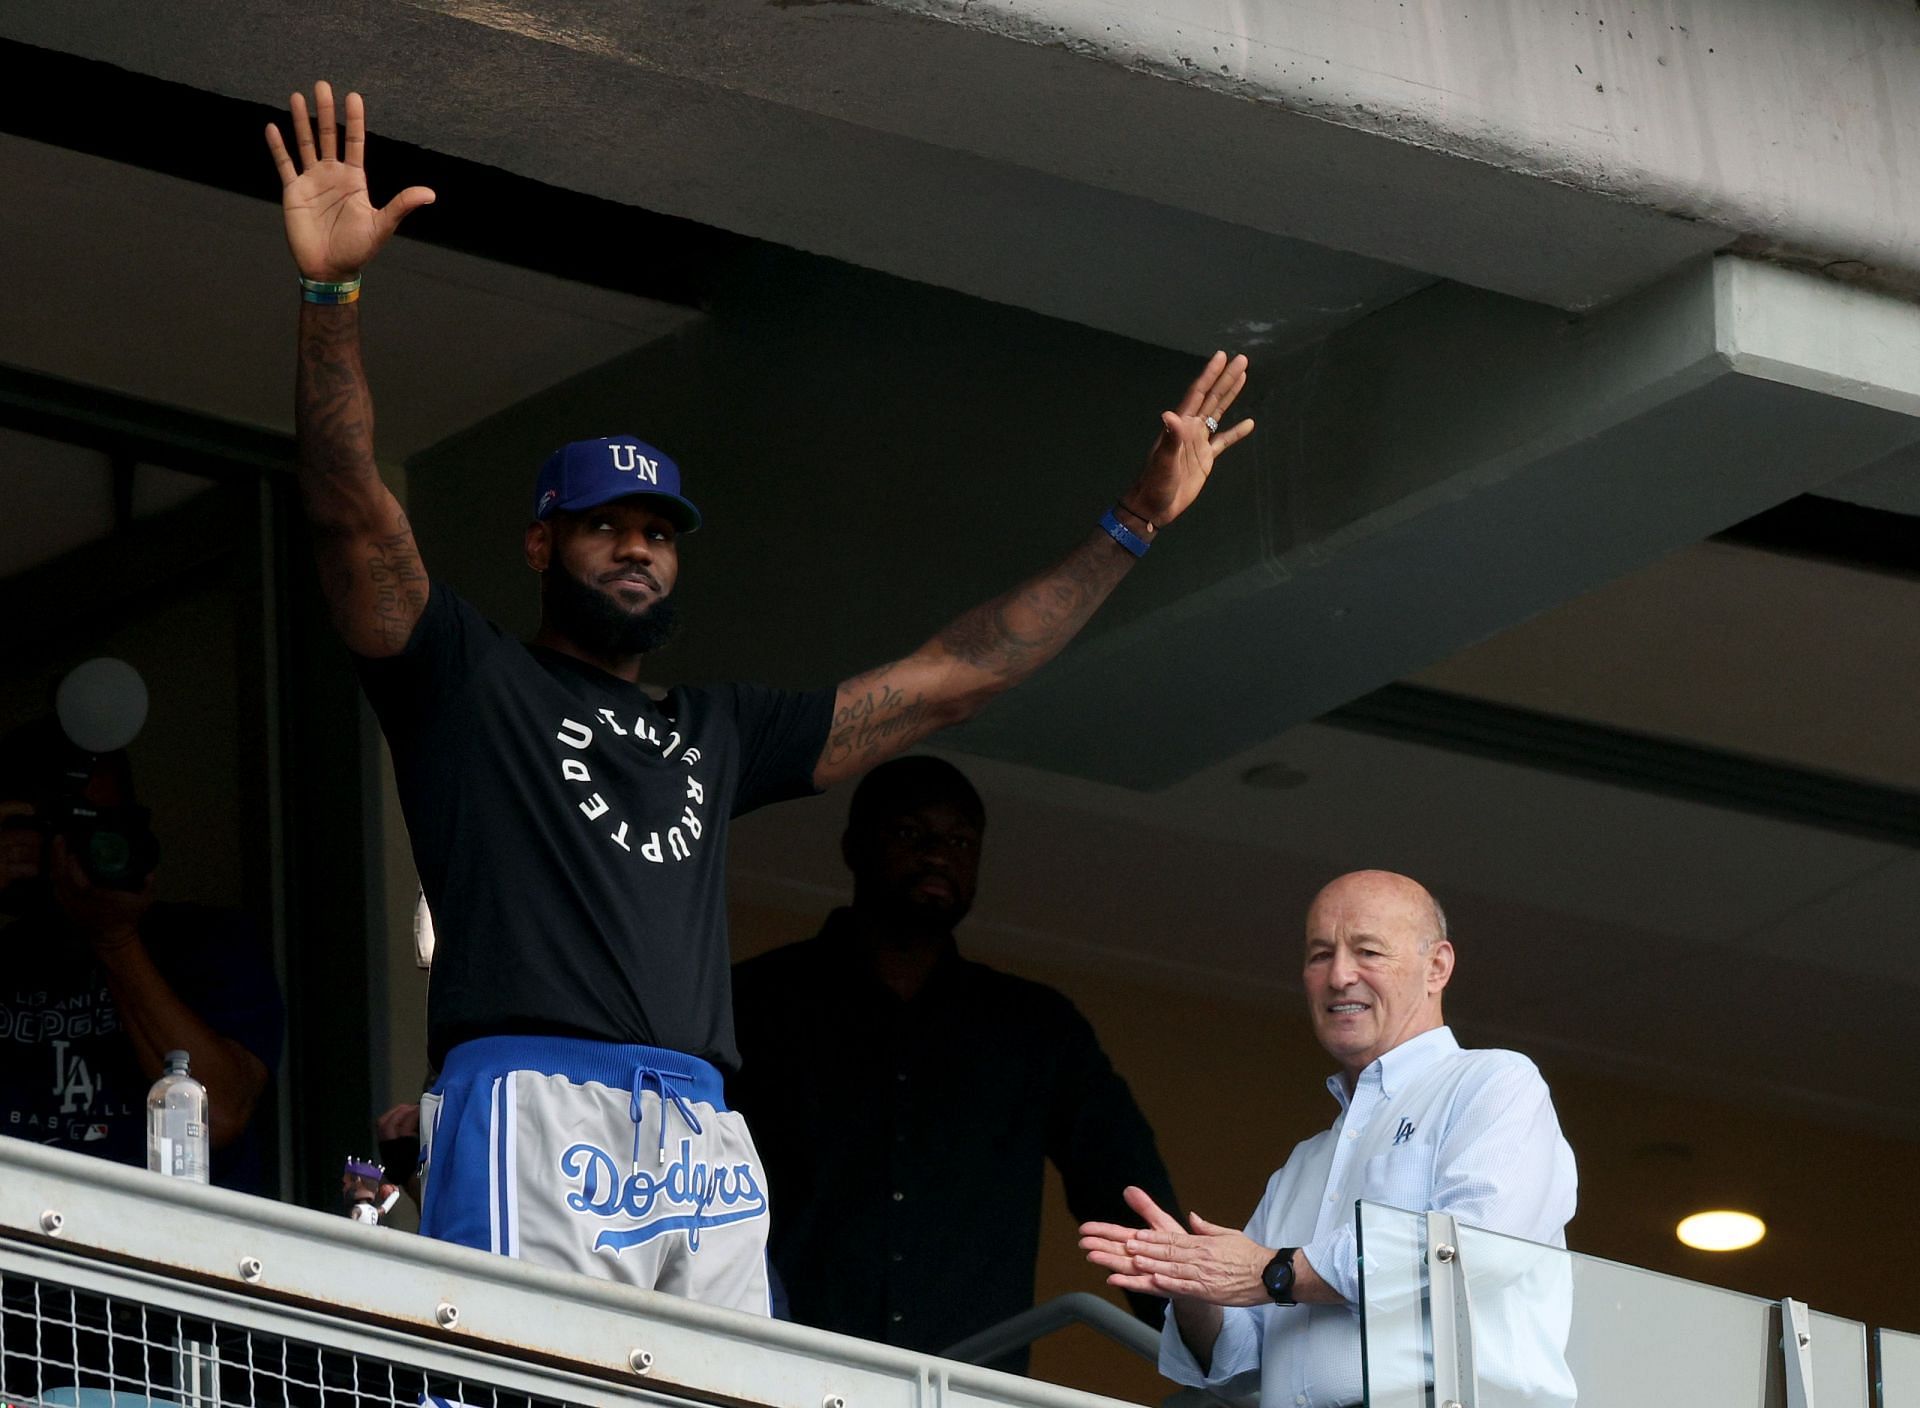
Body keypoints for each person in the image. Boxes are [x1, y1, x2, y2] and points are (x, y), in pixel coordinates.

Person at [262, 82, 1254, 1313]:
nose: (637, 549)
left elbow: (953, 682)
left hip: (701, 1128)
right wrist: (330, 297)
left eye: (659, 534)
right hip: (536, 1092)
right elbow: (353, 512)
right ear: (539, 545)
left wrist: (1134, 525)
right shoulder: (471, 680)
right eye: (605, 527)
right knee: (536, 1390)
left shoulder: (717, 729)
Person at [731, 756, 1177, 1368]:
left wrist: (1205, 1345)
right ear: (854, 846)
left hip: (969, 1386)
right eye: (911, 834)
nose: (939, 854)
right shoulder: (754, 1001)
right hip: (776, 1373)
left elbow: (1127, 1197)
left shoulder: (1036, 1029)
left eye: (960, 840)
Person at [1079, 870, 1577, 1408]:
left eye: (1367, 951)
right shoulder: (1305, 1162)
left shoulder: (1493, 1081)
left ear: (1436, 967)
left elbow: (1471, 1249)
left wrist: (1273, 1271)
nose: (1339, 975)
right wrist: (1196, 1286)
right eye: (1319, 955)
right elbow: (1239, 1365)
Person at [0, 720, 283, 1194]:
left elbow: (221, 1113)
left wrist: (116, 940)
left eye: (100, 824)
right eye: (59, 826)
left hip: (164, 1249)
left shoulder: (208, 942)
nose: (76, 846)